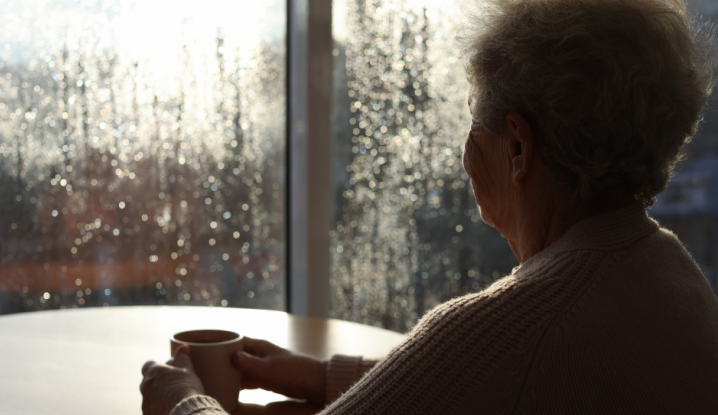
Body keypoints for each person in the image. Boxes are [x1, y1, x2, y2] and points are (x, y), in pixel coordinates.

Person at [141, 0, 718, 413]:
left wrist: (183, 404)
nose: (465, 151)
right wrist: (324, 378)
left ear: (518, 147)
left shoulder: (514, 323)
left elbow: (501, 360)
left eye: (473, 120)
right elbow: (501, 385)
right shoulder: (677, 279)